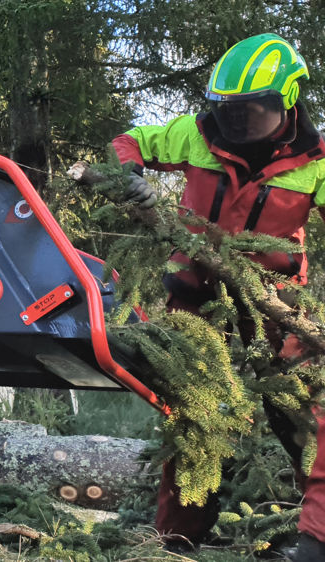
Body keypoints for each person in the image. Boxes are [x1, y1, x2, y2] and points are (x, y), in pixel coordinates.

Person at [110, 33, 325, 557]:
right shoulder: (195, 134)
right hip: (194, 298)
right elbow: (129, 142)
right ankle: (177, 537)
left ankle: (316, 537)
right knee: (193, 413)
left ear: (286, 103)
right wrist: (128, 174)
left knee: (305, 412)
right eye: (229, 111)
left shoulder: (316, 161)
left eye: (252, 112)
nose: (238, 123)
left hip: (277, 305)